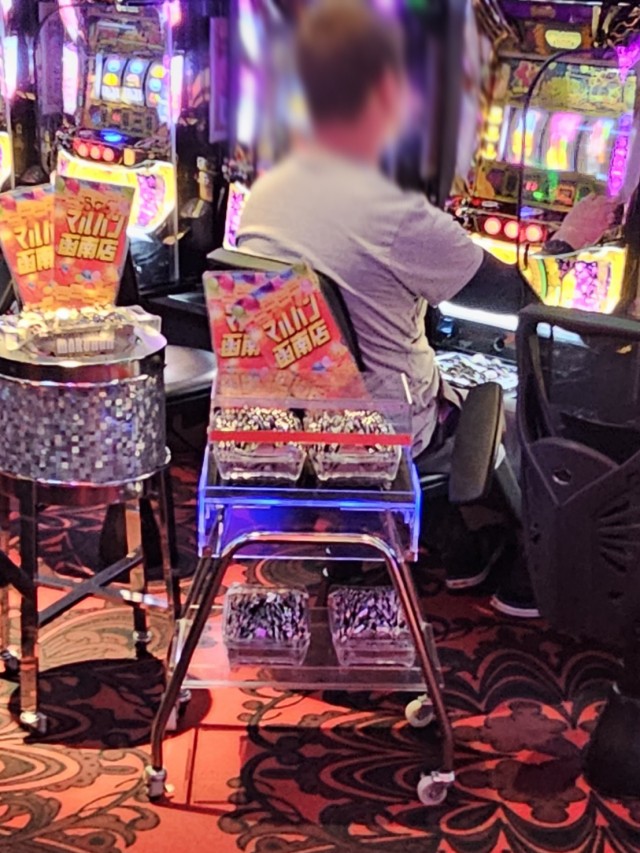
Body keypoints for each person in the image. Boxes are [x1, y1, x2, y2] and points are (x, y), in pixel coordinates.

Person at [236, 0, 617, 615]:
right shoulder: (391, 211)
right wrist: (569, 240)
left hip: (281, 417)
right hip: (383, 427)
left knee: (448, 373)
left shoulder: (271, 186)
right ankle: (529, 574)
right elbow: (518, 301)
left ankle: (458, 546)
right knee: (518, 403)